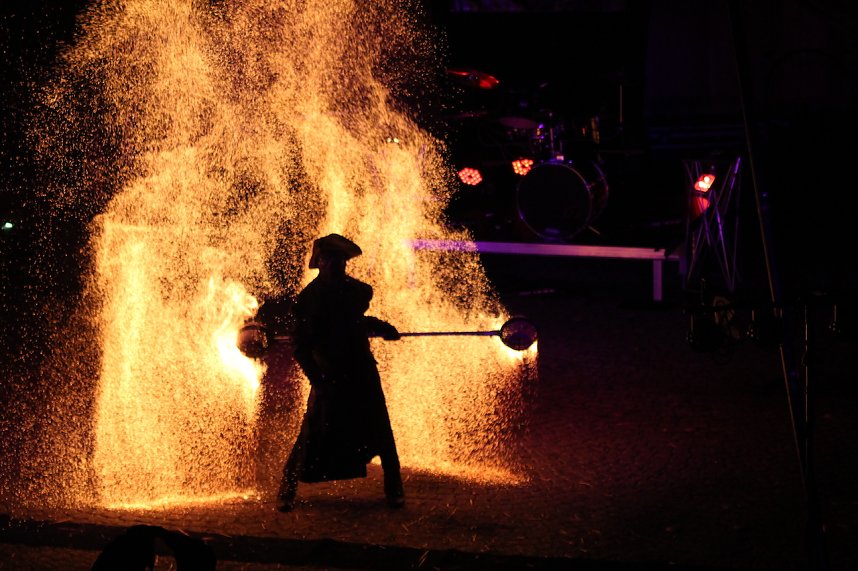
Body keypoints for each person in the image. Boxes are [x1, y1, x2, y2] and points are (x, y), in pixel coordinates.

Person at [276, 233, 405, 512]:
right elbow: (301, 347)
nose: (338, 264)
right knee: (312, 431)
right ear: (320, 261)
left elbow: (353, 322)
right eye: (332, 259)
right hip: (330, 374)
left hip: (361, 370)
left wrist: (381, 327)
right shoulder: (309, 300)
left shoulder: (354, 292)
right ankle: (287, 488)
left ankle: (394, 489)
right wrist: (318, 380)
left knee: (380, 428)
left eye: (342, 260)